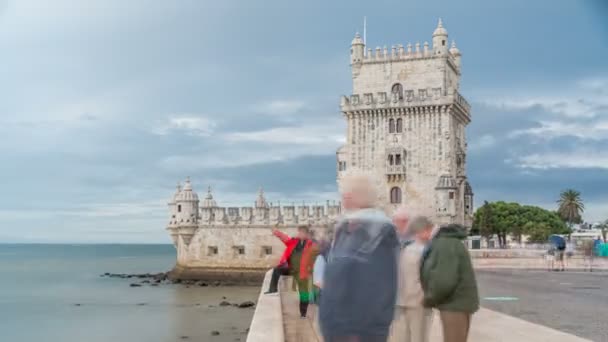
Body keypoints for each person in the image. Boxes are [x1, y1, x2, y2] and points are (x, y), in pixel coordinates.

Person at [319, 173, 399, 342]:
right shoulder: (354, 231)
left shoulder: (371, 235)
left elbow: (369, 290)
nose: (343, 200)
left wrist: (350, 332)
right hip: (347, 330)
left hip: (354, 333)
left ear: (351, 196)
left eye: (345, 195)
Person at [419, 223, 479, 342]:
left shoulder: (444, 245)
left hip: (454, 305)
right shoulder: (450, 243)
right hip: (458, 303)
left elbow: (444, 280)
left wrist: (429, 299)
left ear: (427, 230)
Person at [390, 215, 433, 342]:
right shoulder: (419, 250)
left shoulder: (413, 247)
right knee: (409, 337)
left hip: (410, 301)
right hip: (408, 302)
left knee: (411, 337)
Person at [264, 224, 316, 318]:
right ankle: (273, 289)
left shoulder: (310, 244)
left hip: (302, 271)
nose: (300, 234)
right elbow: (284, 238)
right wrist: (276, 232)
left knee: (304, 294)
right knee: (277, 270)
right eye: (299, 232)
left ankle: (303, 314)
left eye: (302, 232)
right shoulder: (293, 241)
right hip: (291, 268)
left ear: (306, 234)